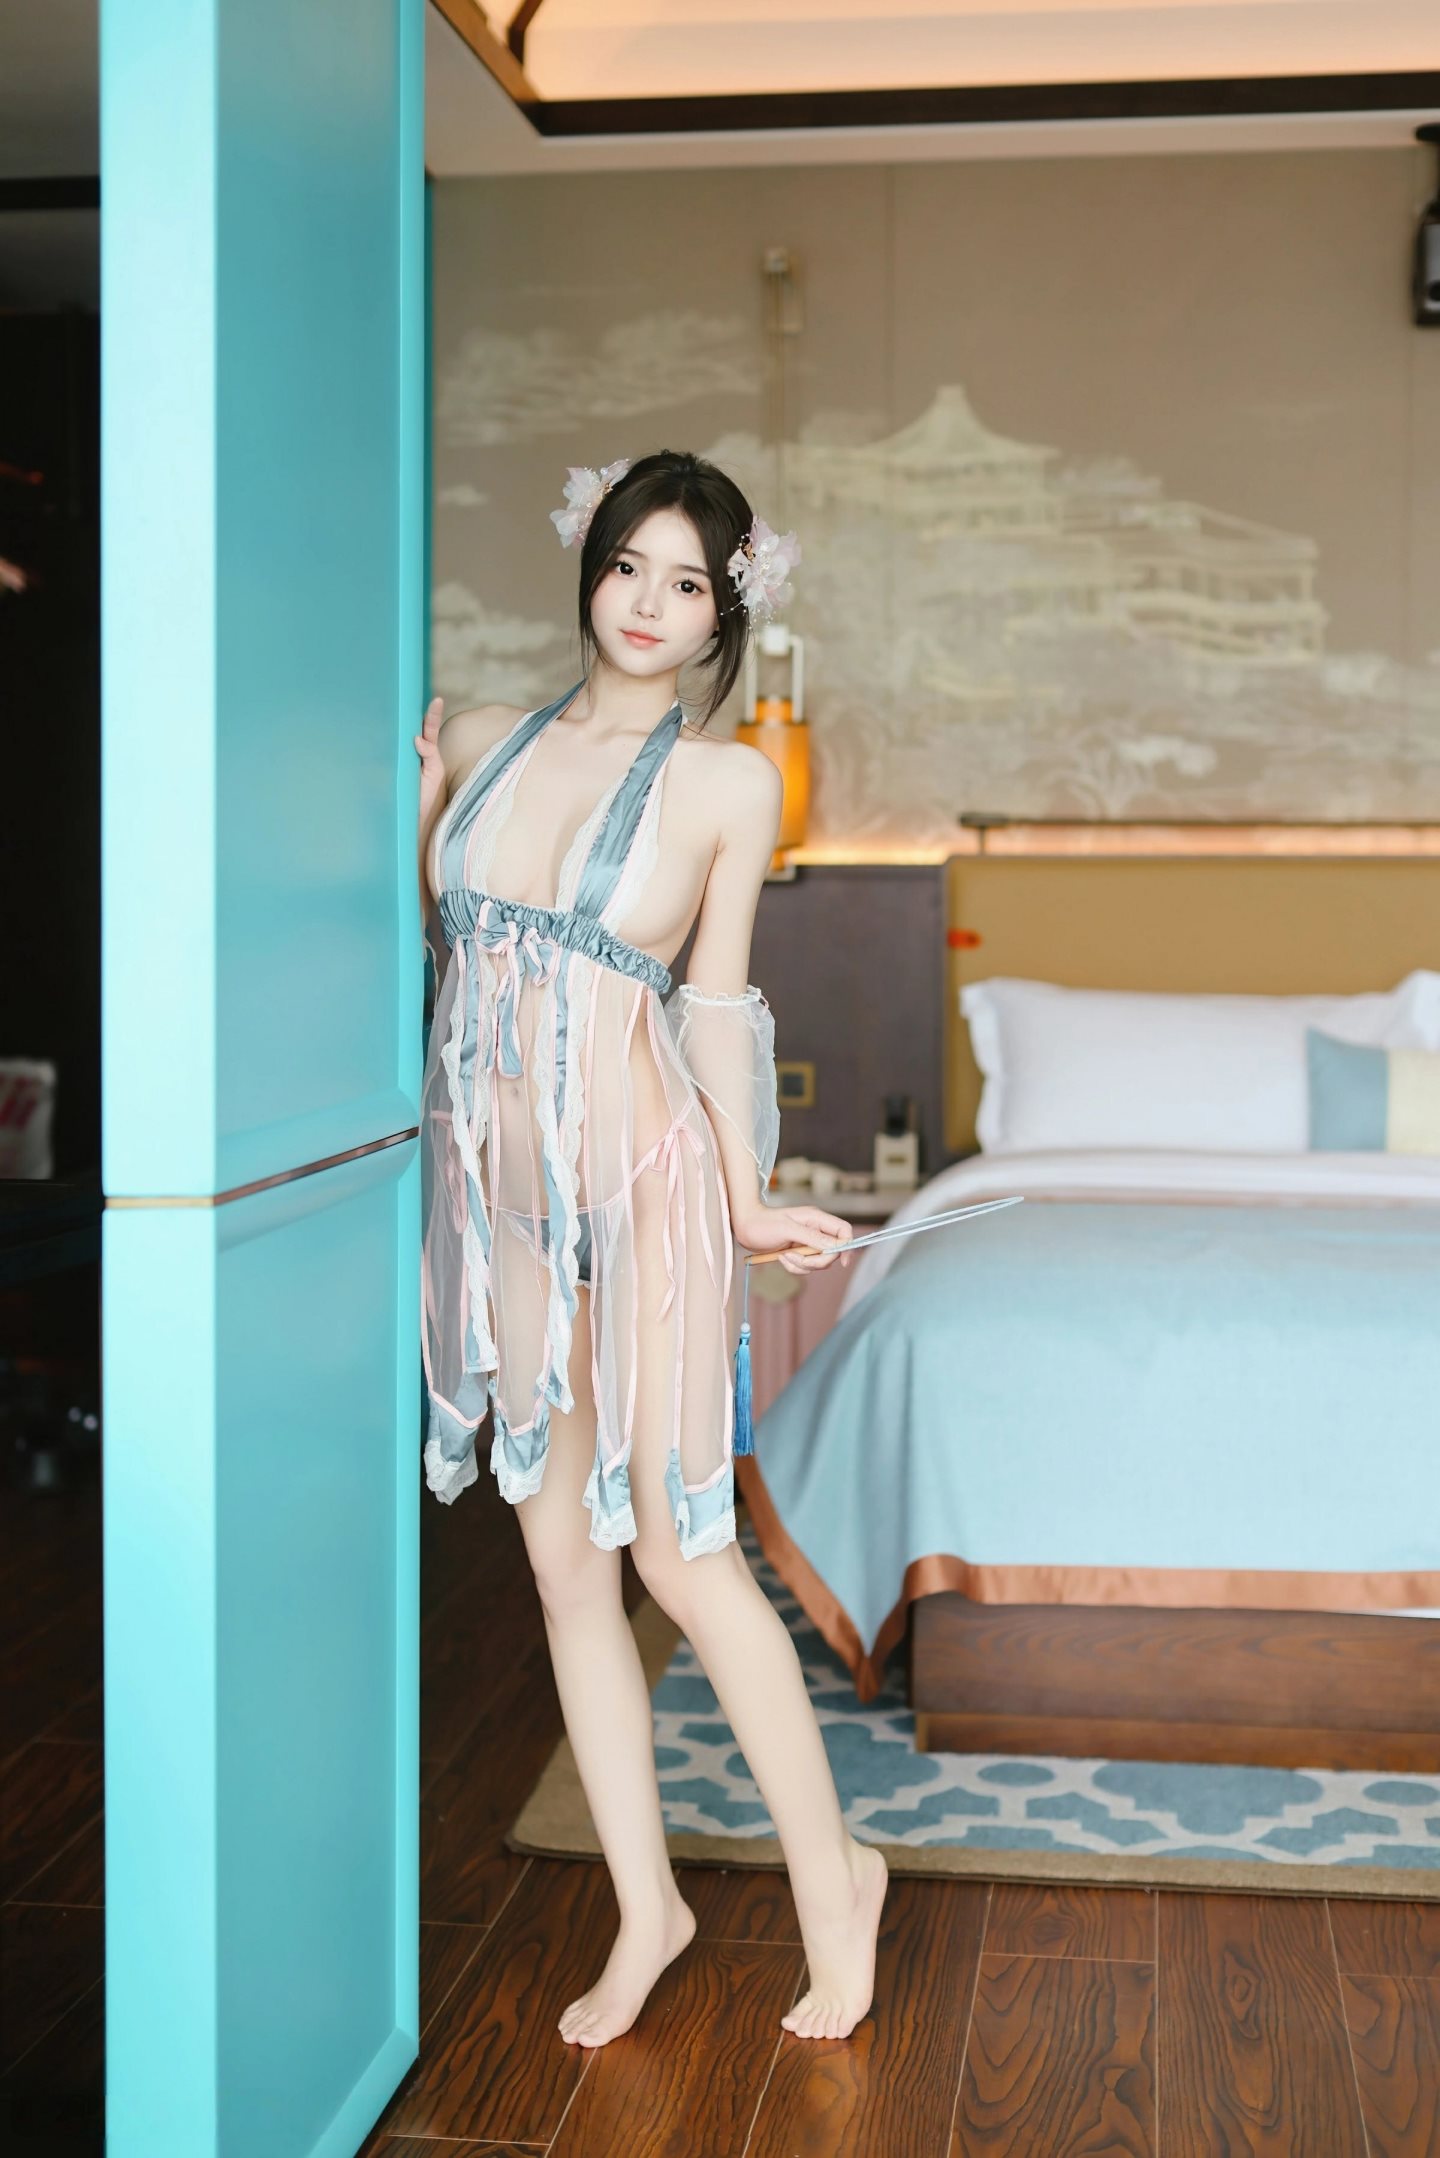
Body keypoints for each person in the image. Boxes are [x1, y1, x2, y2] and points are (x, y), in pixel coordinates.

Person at [413, 448, 888, 2049]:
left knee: (684, 1558)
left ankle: (836, 1886)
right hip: (500, 1200)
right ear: (591, 563)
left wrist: (748, 1195)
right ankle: (648, 1911)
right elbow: (421, 940)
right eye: (630, 565)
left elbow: (718, 1003)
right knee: (563, 1565)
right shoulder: (480, 738)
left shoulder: (726, 785)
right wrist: (407, 794)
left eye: (688, 583)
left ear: (721, 615)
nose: (647, 603)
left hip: (650, 1192)